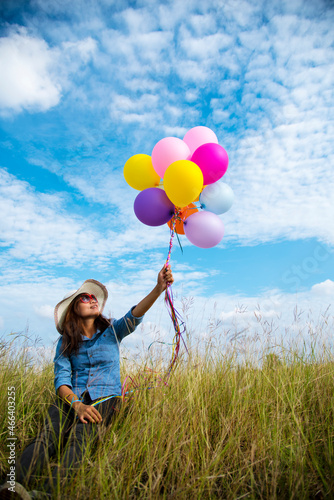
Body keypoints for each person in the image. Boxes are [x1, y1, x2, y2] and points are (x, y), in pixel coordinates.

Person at [0, 266, 174, 500]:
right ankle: (10, 487)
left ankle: (44, 495)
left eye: (94, 297)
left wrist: (158, 288)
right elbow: (61, 381)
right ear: (74, 309)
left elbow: (134, 316)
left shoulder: (112, 331)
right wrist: (76, 405)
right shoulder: (65, 342)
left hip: (105, 399)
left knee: (79, 440)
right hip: (71, 400)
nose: (92, 299)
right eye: (85, 297)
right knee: (46, 437)